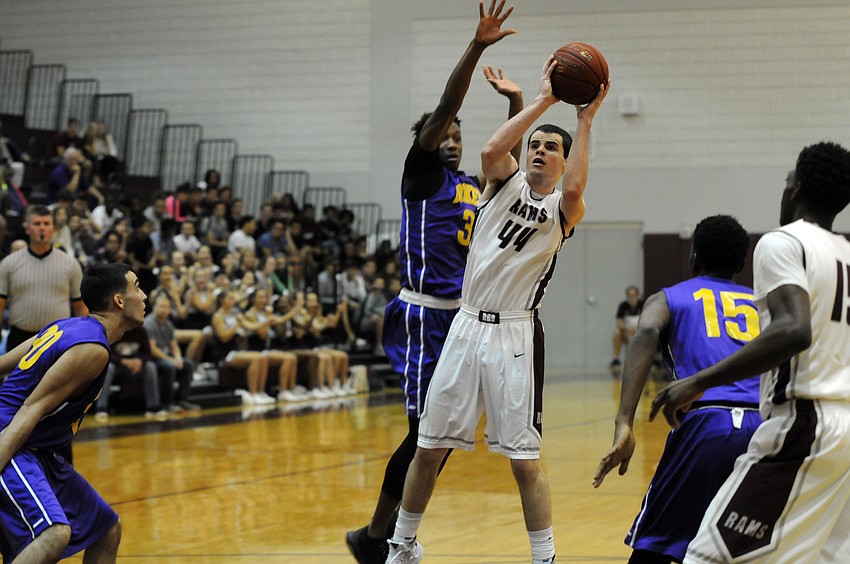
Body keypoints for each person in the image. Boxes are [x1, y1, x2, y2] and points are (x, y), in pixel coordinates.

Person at [386, 49, 609, 562]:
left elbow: (576, 182)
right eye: (535, 144)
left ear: (562, 159)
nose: (540, 151)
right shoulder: (498, 183)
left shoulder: (563, 209)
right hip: (465, 326)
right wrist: (542, 99)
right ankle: (402, 545)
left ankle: (543, 556)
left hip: (515, 335)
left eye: (552, 148)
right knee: (428, 446)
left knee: (524, 462)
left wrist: (583, 118)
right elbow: (491, 148)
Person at [345, 2, 524, 561]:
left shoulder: (473, 183)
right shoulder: (421, 174)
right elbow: (449, 104)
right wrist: (476, 48)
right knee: (426, 432)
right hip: (424, 315)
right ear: (426, 138)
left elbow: (509, 156)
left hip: (463, 317)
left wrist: (519, 103)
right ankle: (379, 538)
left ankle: (381, 535)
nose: (450, 137)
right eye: (441, 131)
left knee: (442, 440)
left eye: (457, 133)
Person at [650, 142, 850, 563]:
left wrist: (698, 381)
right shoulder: (847, 255)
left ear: (796, 189)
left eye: (787, 180)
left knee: (708, 555)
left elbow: (793, 330)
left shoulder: (782, 243)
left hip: (804, 423)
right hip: (844, 430)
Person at [593, 215, 762, 564]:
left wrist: (624, 419)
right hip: (766, 429)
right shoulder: (763, 303)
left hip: (706, 425)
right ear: (742, 262)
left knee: (654, 547)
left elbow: (645, 333)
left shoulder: (670, 297)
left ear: (694, 256)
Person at [0, 262, 146, 562]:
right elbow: (30, 409)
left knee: (107, 528)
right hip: (10, 437)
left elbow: (2, 364)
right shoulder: (92, 348)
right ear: (119, 300)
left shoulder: (65, 325)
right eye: (137, 287)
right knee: (54, 533)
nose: (144, 296)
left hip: (37, 448)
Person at [0, 205, 88, 351]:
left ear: (53, 228)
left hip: (57, 339)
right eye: (37, 223)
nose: (42, 228)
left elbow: (80, 307)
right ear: (27, 228)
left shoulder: (70, 264)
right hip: (19, 338)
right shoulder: (9, 263)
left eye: (46, 224)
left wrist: (84, 337)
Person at [144, 295, 201, 413]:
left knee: (188, 364)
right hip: (153, 358)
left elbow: (174, 345)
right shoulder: (149, 323)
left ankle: (182, 399)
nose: (163, 310)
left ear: (170, 310)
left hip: (166, 357)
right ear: (154, 307)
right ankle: (168, 402)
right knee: (170, 366)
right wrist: (171, 360)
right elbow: (153, 350)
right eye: (161, 306)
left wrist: (178, 358)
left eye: (166, 307)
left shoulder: (168, 324)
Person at [611, 285, 643, 373]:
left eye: (634, 295)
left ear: (637, 295)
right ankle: (616, 360)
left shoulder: (643, 305)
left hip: (641, 332)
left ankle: (647, 361)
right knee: (617, 333)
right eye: (630, 295)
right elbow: (619, 322)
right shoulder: (623, 306)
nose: (632, 298)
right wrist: (625, 328)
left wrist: (638, 329)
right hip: (627, 331)